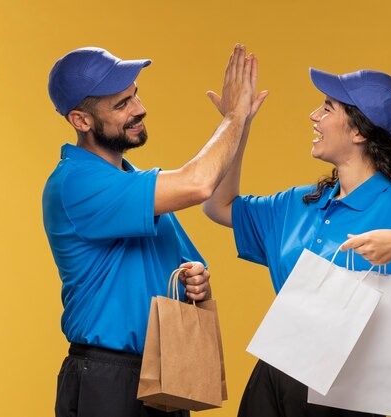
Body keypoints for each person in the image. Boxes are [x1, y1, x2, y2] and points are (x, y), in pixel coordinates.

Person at [202, 68, 391, 417]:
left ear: (359, 131)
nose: (314, 115)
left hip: (348, 398)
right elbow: (218, 205)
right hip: (276, 376)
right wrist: (237, 123)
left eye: (328, 107)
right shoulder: (300, 204)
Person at [42, 45, 267, 417]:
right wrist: (235, 116)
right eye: (121, 104)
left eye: (134, 95)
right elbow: (197, 184)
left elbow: (181, 266)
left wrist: (194, 280)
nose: (139, 108)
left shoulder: (131, 182)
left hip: (165, 372)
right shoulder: (75, 183)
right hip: (107, 377)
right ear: (81, 121)